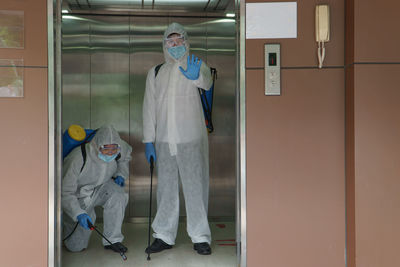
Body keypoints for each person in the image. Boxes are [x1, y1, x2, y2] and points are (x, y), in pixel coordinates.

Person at [142, 22, 213, 255]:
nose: (174, 46)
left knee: (195, 187)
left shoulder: (196, 65)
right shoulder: (155, 72)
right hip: (164, 140)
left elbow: (206, 81)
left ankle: (201, 236)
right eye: (170, 42)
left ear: (186, 42)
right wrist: (148, 140)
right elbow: (149, 108)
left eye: (178, 41)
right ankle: (163, 235)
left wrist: (196, 78)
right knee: (166, 189)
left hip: (190, 139)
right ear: (164, 45)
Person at [62, 125, 132, 254]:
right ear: (97, 145)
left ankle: (113, 240)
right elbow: (65, 192)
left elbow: (125, 156)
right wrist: (78, 213)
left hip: (101, 187)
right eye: (106, 149)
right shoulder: (77, 158)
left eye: (114, 149)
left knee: (118, 194)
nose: (111, 152)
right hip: (79, 196)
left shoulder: (119, 147)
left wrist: (121, 174)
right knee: (75, 247)